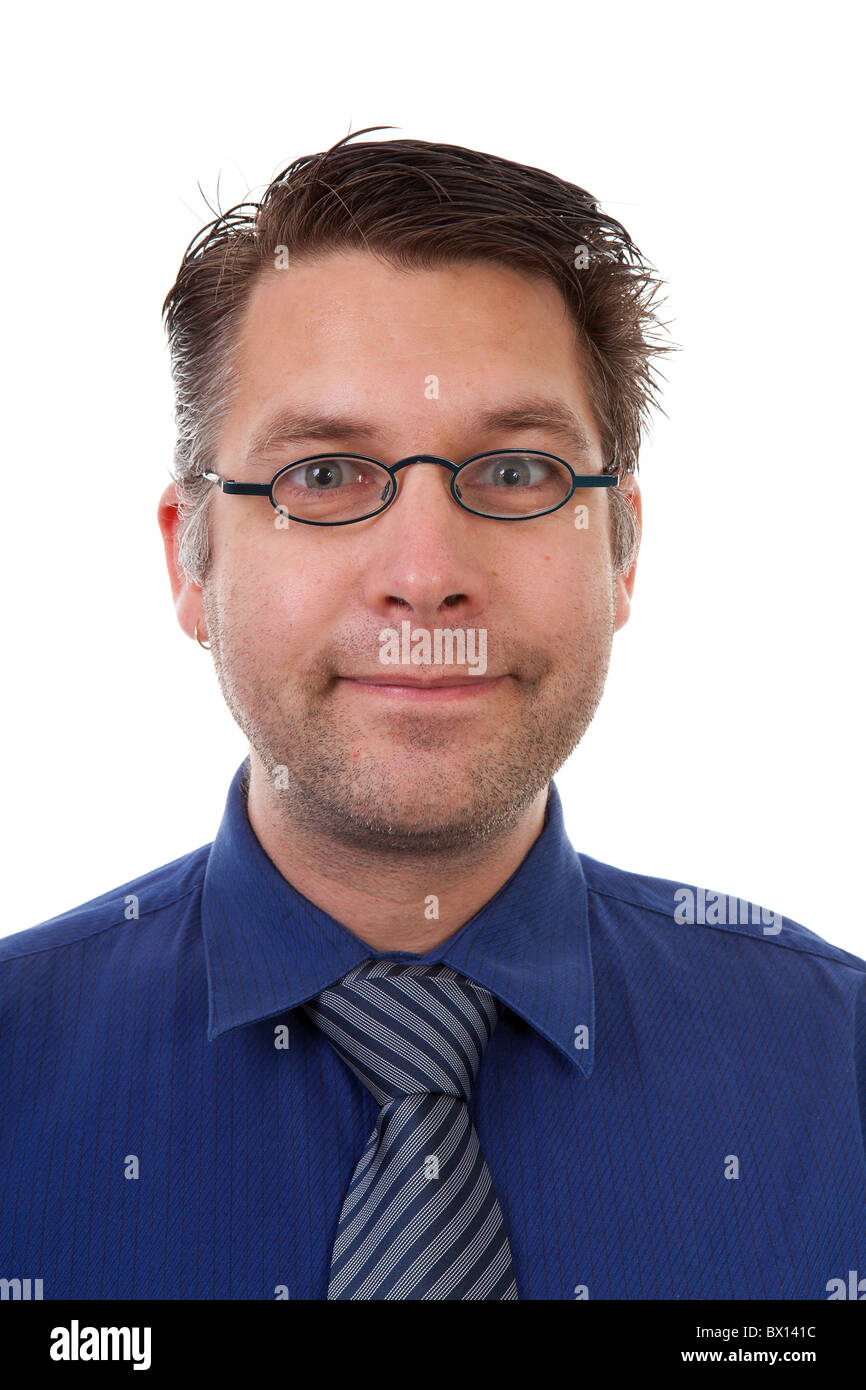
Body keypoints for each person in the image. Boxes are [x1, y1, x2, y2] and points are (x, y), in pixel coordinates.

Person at [2, 129, 864, 1302]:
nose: (423, 574)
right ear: (192, 563)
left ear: (619, 552)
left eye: (516, 473)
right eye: (321, 475)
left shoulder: (839, 1073)